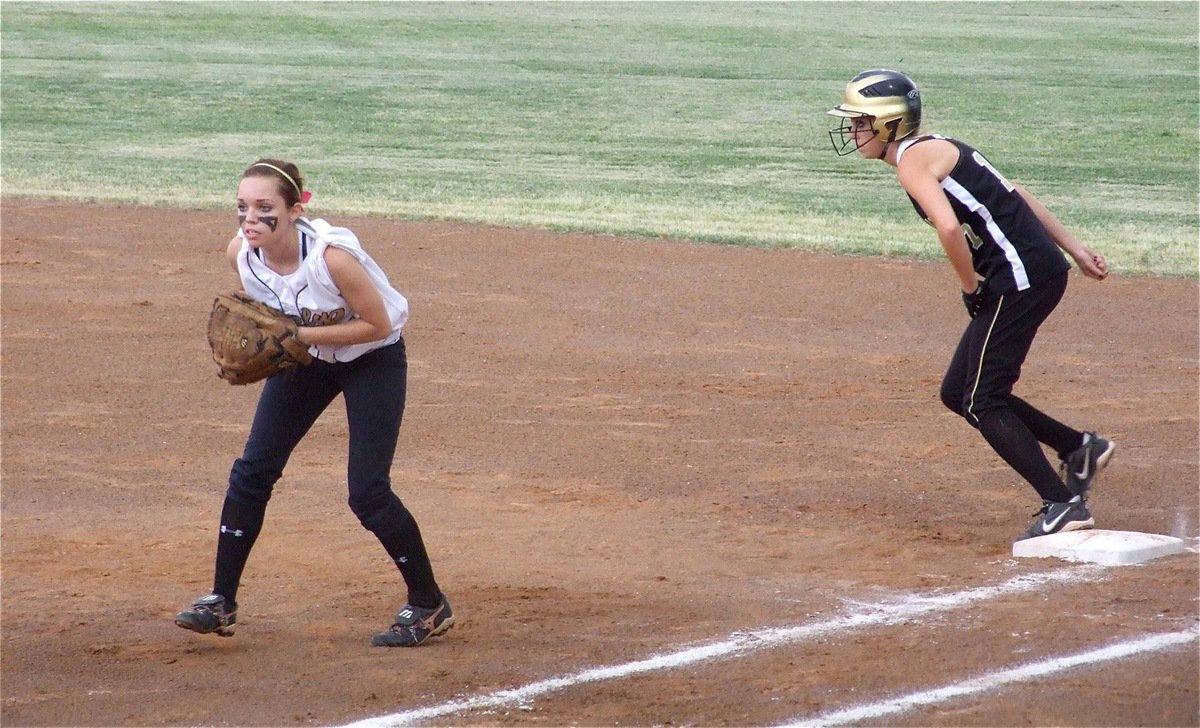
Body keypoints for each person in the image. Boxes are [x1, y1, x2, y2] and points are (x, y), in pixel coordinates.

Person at [826, 70, 1117, 541]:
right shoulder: (934, 147)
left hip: (1019, 279)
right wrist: (1074, 250)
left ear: (888, 124)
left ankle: (1063, 503)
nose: (853, 130)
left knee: (982, 399)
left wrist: (969, 285)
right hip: (1030, 272)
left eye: (860, 121)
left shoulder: (910, 163)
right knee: (957, 391)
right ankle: (1078, 448)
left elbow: (947, 227)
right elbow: (1015, 193)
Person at [175, 158, 453, 646]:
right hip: (306, 361)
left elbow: (378, 324)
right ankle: (221, 601)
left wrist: (295, 333)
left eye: (265, 207)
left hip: (373, 361)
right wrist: (283, 339)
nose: (250, 218)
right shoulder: (241, 254)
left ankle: (429, 603)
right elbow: (270, 311)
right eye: (242, 208)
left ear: (296, 207)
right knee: (252, 471)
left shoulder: (332, 257)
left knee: (367, 492)